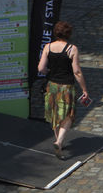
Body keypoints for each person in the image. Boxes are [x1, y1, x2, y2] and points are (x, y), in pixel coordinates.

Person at [36, 21, 89, 160]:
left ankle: (58, 141)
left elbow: (40, 68)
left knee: (54, 113)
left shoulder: (48, 47)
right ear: (69, 34)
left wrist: (49, 71)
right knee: (68, 115)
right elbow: (77, 71)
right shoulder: (72, 49)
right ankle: (59, 141)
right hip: (66, 86)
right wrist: (84, 89)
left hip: (52, 85)